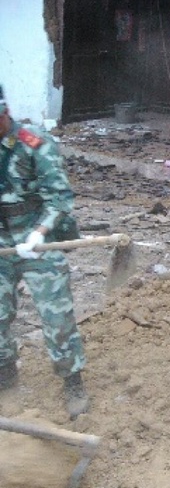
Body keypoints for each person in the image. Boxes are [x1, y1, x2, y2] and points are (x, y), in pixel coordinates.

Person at [0, 85, 90, 418]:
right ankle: (6, 376)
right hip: (1, 239)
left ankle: (72, 380)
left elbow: (60, 198)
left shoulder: (33, 143)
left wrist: (38, 233)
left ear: (4, 113)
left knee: (57, 314)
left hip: (38, 235)